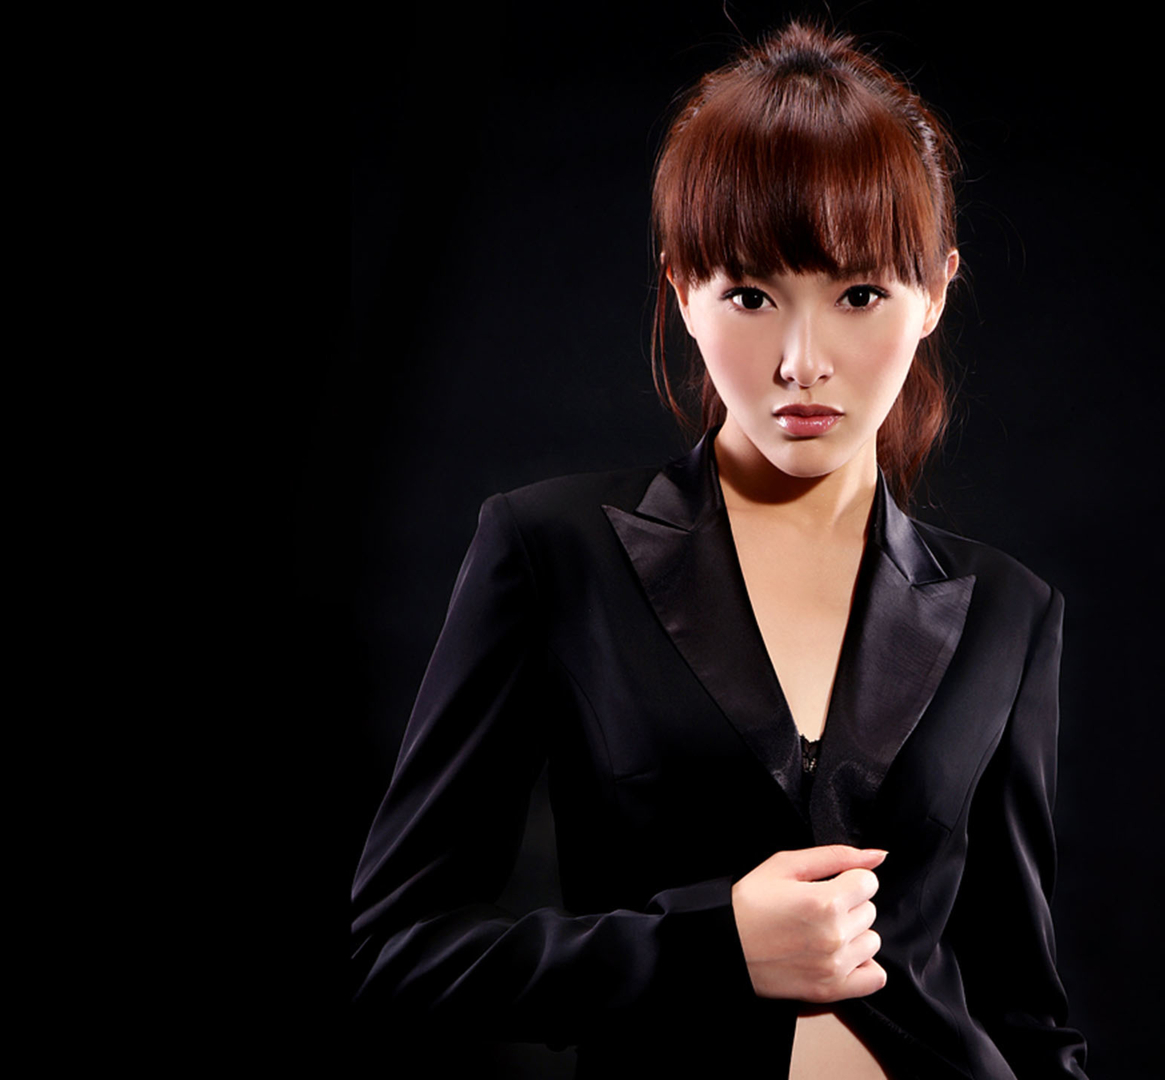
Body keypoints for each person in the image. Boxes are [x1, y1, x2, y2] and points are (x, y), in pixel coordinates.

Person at [351, 21, 1088, 1079]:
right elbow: (399, 950)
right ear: (682, 288)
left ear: (935, 292)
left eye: (860, 294)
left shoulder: (1007, 609)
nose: (801, 361)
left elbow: (1025, 1013)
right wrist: (711, 945)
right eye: (750, 295)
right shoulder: (552, 550)